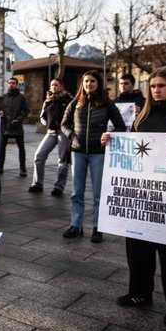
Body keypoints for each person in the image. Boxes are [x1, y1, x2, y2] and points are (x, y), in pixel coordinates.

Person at [106, 66, 166, 326]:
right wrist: (112, 142)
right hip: (143, 190)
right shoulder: (142, 118)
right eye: (153, 86)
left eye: (162, 86)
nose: (157, 90)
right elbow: (134, 150)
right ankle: (140, 292)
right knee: (137, 244)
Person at [61, 69, 126, 242]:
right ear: (83, 84)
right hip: (78, 152)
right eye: (86, 81)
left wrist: (109, 135)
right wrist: (71, 135)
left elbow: (120, 126)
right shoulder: (75, 103)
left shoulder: (107, 104)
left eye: (92, 81)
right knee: (76, 192)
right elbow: (64, 124)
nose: (89, 84)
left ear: (98, 84)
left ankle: (98, 228)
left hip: (99, 153)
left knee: (98, 193)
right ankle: (76, 225)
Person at [29, 77, 73, 196]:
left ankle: (59, 187)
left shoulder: (69, 99)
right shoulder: (47, 101)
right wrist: (46, 124)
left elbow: (74, 116)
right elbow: (42, 117)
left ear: (61, 86)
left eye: (56, 85)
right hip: (50, 132)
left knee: (62, 161)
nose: (53, 87)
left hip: (63, 132)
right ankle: (37, 184)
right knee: (38, 156)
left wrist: (69, 128)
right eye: (52, 85)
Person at [0, 76, 30, 177]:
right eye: (10, 83)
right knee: (1, 148)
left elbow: (26, 111)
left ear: (17, 85)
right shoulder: (3, 97)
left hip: (17, 126)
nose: (11, 85)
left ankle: (23, 169)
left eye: (13, 83)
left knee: (21, 149)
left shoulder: (22, 97)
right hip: (5, 126)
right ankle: (0, 167)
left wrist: (19, 119)